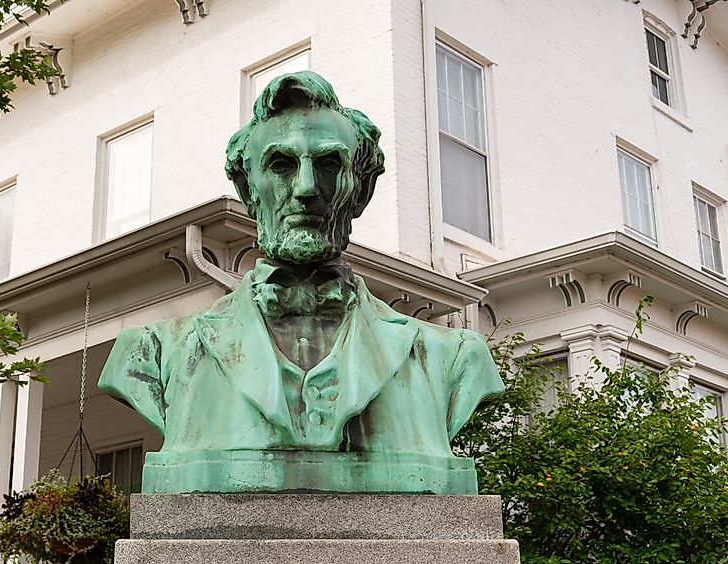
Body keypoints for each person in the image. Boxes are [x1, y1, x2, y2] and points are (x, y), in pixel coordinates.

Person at [98, 71, 504, 494]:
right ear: (246, 189)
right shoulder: (154, 353)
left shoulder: (454, 358)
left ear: (361, 189)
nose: (306, 187)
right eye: (281, 165)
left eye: (329, 164)